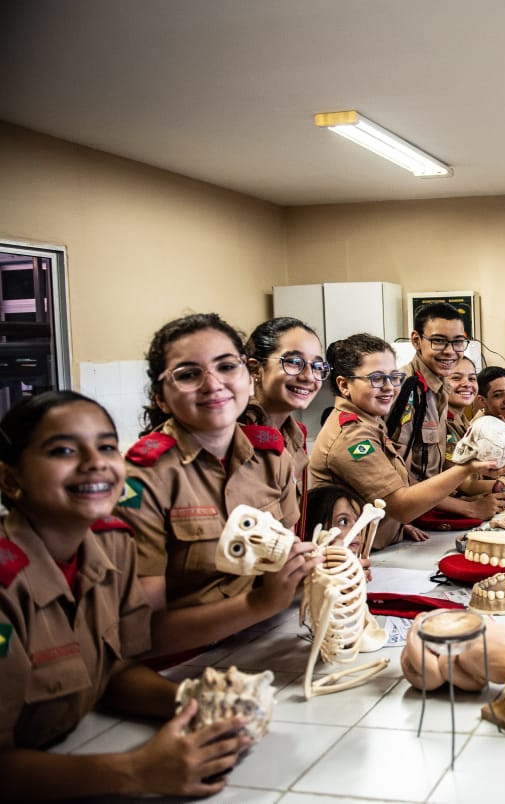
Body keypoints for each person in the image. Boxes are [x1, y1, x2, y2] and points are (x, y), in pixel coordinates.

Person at [0, 391, 248, 800]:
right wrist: (135, 771)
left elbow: (115, 672)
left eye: (107, 447)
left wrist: (193, 704)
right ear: (11, 479)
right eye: (63, 449)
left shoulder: (111, 545)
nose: (95, 462)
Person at [115, 313, 317, 656]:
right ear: (161, 397)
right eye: (189, 374)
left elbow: (281, 570)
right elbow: (141, 634)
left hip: (258, 639)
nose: (213, 384)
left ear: (249, 379)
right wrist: (261, 603)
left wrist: (322, 569)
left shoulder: (272, 457)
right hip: (176, 663)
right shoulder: (140, 480)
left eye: (226, 367)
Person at [310, 334, 505, 547]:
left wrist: (394, 524)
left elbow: (384, 495)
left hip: (386, 544)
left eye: (394, 377)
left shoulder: (371, 422)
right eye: (376, 378)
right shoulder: (352, 436)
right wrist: (466, 469)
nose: (389, 387)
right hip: (353, 560)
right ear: (344, 385)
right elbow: (402, 504)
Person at [243, 316, 329, 534]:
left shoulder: (294, 435)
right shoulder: (236, 437)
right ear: (255, 369)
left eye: (317, 366)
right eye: (293, 362)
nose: (309, 376)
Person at [388, 302, 469, 482]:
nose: (450, 351)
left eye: (458, 342)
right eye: (438, 341)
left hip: (434, 499)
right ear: (416, 341)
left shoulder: (441, 388)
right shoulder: (405, 388)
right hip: (415, 505)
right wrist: (468, 508)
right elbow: (402, 479)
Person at [445, 355, 478, 463]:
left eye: (472, 379)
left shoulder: (462, 420)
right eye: (456, 378)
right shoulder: (442, 424)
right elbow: (463, 479)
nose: (467, 384)